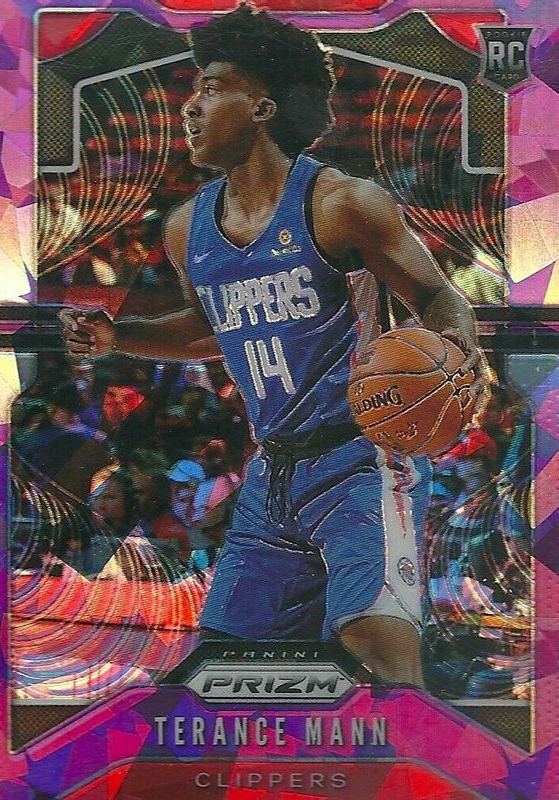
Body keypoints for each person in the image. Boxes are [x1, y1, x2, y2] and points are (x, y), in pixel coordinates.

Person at [61, 4, 485, 686]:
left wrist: (458, 349)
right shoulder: (186, 227)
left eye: (210, 87)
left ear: (261, 107)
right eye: (191, 88)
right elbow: (210, 329)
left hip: (362, 461)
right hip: (272, 472)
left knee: (379, 665)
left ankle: (432, 711)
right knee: (216, 676)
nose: (190, 105)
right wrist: (121, 336)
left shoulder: (342, 203)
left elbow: (437, 295)